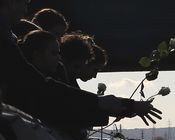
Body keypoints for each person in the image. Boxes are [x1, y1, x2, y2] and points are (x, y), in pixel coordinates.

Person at [0, 0, 160, 129]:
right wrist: (115, 105)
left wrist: (117, 106)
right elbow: (48, 94)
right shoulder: (6, 40)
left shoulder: (10, 37)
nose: (27, 3)